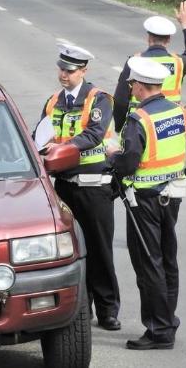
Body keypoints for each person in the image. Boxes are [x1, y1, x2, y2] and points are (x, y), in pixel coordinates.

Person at [37, 43, 122, 331]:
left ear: (83, 71)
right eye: (61, 69)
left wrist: (63, 149)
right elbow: (41, 135)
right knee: (69, 251)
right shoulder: (52, 102)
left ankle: (108, 309)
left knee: (99, 249)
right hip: (65, 187)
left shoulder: (98, 100)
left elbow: (94, 135)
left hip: (93, 187)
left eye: (70, 70)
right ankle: (79, 309)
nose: (64, 74)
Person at [108, 57, 186, 350]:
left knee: (149, 264)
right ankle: (169, 320)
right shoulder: (179, 112)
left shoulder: (139, 119)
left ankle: (158, 330)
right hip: (173, 194)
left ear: (140, 86)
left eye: (131, 84)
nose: (130, 88)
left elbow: (129, 163)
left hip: (145, 199)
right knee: (168, 260)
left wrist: (112, 156)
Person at [113, 1, 186, 132]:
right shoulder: (178, 63)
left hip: (140, 124)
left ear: (148, 38)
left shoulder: (135, 62)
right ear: (169, 39)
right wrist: (185, 23)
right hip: (171, 125)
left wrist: (119, 126)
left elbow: (121, 100)